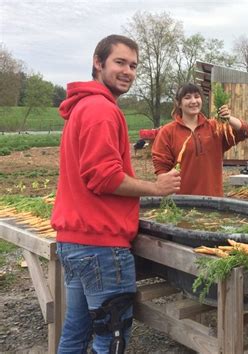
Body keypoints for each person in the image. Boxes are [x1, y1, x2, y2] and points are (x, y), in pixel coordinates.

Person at [51, 34, 181, 354]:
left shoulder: (84, 106)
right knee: (112, 336)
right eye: (120, 62)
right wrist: (156, 187)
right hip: (101, 245)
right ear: (98, 62)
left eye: (133, 66)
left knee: (76, 332)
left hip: (75, 239)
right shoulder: (100, 109)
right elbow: (103, 177)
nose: (128, 71)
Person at [152, 83, 248, 197]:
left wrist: (229, 118)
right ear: (179, 103)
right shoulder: (168, 132)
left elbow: (245, 132)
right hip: (181, 200)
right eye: (187, 97)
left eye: (197, 96)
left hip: (213, 199)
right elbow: (161, 166)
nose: (193, 101)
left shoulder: (215, 127)